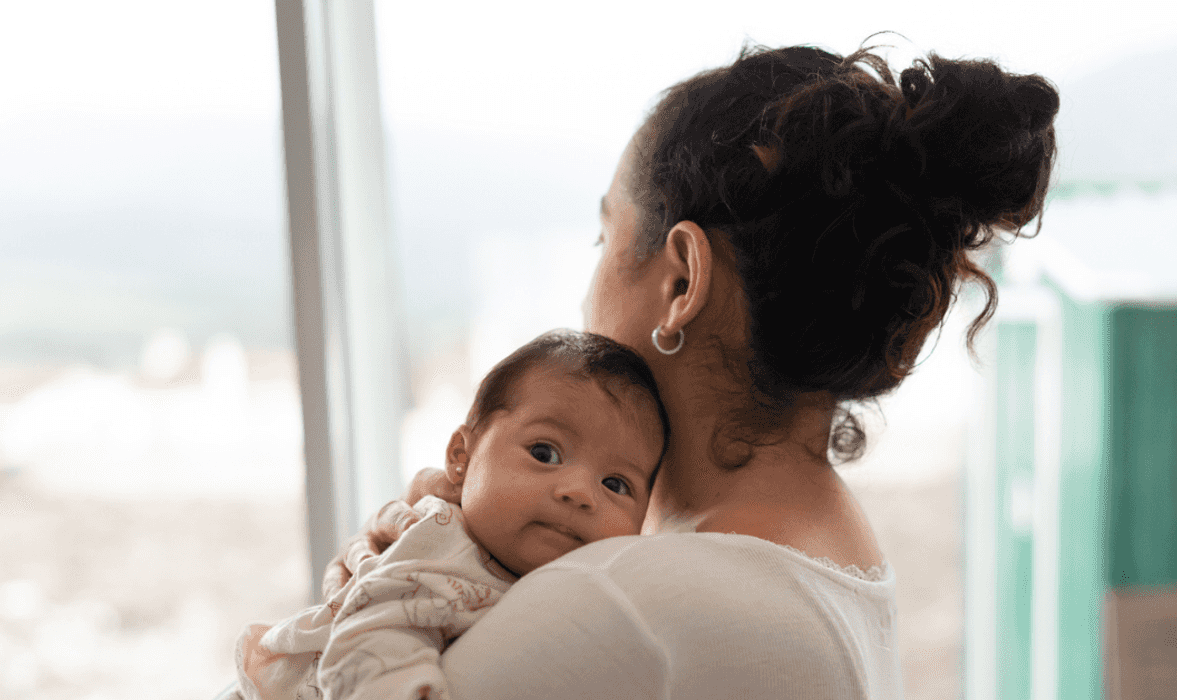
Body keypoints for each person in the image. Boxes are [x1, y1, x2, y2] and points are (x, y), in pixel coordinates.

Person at [325, 43, 1058, 699]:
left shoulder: (623, 608)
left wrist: (372, 602)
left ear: (681, 282)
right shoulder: (832, 551)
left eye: (603, 237)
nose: (586, 298)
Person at [226, 330, 670, 700]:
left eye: (615, 484)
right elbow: (369, 643)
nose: (578, 492)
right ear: (462, 456)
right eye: (544, 452)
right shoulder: (441, 542)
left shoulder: (587, 581)